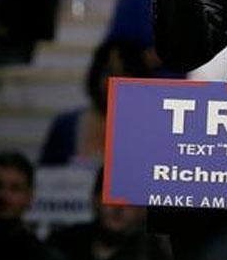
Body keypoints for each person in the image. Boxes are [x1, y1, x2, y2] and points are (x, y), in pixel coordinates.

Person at [39, 39, 151, 167]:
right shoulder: (65, 126)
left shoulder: (147, 132)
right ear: (97, 75)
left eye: (123, 74)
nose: (114, 83)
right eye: (109, 73)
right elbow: (45, 176)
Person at [48, 168, 171, 260]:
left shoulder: (155, 254)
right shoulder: (62, 245)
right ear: (95, 199)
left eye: (128, 199)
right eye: (112, 196)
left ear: (143, 208)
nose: (118, 208)